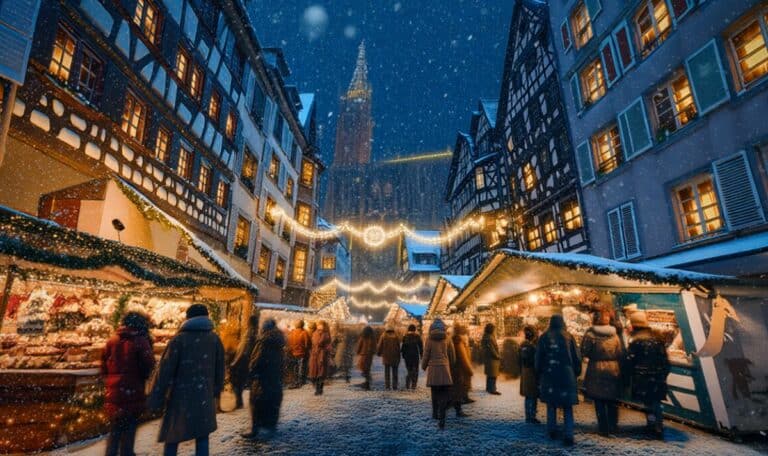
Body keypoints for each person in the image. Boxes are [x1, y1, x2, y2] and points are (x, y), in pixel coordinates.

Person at [148, 304, 225, 456]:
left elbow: (164, 371)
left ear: (188, 318)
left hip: (179, 397)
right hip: (203, 396)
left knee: (172, 437)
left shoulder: (179, 340)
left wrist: (156, 398)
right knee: (202, 437)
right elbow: (220, 369)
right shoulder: (214, 339)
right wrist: (215, 391)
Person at [101, 312, 155, 456]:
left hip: (114, 393)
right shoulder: (141, 341)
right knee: (129, 430)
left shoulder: (112, 341)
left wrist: (111, 378)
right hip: (133, 391)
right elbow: (148, 365)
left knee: (115, 431)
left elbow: (104, 365)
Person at [535, 314, 581, 446]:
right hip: (567, 375)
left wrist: (539, 371)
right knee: (567, 407)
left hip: (550, 375)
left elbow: (538, 358)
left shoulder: (544, 337)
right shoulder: (569, 337)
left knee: (551, 405)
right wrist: (576, 372)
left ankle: (551, 431)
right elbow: (577, 357)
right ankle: (568, 435)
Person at [624, 311, 670, 440]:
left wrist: (628, 376)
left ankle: (652, 425)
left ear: (634, 325)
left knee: (648, 403)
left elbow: (630, 361)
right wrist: (663, 374)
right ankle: (658, 425)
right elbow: (665, 360)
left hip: (643, 377)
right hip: (657, 377)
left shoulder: (636, 341)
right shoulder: (657, 338)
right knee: (656, 402)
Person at [582, 311, 624, 436]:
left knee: (599, 399)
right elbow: (620, 352)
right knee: (611, 398)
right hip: (613, 368)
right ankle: (613, 426)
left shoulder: (590, 335)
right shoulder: (615, 335)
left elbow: (584, 351)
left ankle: (603, 427)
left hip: (596, 368)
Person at [244, 318, 285, 441]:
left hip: (262, 377)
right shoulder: (279, 341)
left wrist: (252, 370)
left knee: (257, 401)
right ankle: (270, 425)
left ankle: (255, 429)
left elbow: (257, 359)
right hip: (274, 377)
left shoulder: (263, 341)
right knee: (272, 401)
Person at [422, 319, 455, 429]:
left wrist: (423, 366)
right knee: (443, 394)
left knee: (434, 393)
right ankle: (442, 417)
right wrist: (451, 364)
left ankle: (435, 413)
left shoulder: (429, 339)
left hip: (433, 370)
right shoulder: (447, 339)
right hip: (444, 369)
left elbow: (426, 354)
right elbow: (452, 354)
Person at [229, 314, 260, 409]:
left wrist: (235, 362)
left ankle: (239, 402)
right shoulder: (256, 333)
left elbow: (244, 350)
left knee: (238, 383)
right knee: (243, 383)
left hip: (243, 362)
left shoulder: (250, 333)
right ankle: (242, 402)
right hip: (248, 361)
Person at [450, 323, 473, 416]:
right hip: (459, 369)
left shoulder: (455, 340)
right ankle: (458, 411)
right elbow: (463, 357)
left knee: (457, 389)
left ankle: (457, 408)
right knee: (458, 390)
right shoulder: (458, 341)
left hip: (457, 369)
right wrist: (469, 370)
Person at [519, 325, 540, 424]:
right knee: (532, 395)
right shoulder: (531, 347)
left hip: (525, 372)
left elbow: (519, 359)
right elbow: (534, 360)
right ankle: (531, 416)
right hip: (531, 373)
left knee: (528, 396)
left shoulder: (523, 345)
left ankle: (529, 415)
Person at [309, 320, 332, 395]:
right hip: (315, 355)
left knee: (321, 373)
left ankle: (319, 389)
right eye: (319, 325)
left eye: (321, 325)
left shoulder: (326, 334)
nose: (319, 326)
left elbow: (328, 345)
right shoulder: (315, 333)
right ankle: (317, 388)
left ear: (324, 326)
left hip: (322, 355)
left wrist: (325, 350)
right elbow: (313, 343)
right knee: (314, 373)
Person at [377, 324, 402, 390]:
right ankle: (395, 386)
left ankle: (387, 386)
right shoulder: (396, 336)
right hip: (395, 356)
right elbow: (398, 346)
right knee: (395, 372)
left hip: (386, 356)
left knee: (387, 372)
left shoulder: (383, 335)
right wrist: (399, 354)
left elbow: (380, 345)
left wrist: (378, 353)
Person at [286, 320, 310, 388]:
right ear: (302, 325)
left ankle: (295, 381)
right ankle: (300, 381)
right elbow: (307, 344)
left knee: (295, 367)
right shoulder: (304, 333)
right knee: (301, 367)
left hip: (293, 353)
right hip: (302, 353)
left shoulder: (292, 333)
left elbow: (289, 342)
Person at [401, 324, 423, 390]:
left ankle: (407, 383)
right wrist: (421, 355)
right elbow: (421, 347)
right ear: (414, 329)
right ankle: (414, 384)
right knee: (415, 370)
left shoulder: (405, 336)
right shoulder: (417, 336)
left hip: (407, 356)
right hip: (415, 356)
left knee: (409, 370)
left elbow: (403, 347)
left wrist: (403, 355)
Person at [481, 323, 502, 395]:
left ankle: (489, 388)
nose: (494, 330)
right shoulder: (489, 337)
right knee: (493, 374)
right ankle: (492, 389)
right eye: (493, 329)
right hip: (492, 359)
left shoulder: (486, 336)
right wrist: (497, 356)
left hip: (489, 358)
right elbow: (491, 349)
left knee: (490, 374)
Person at [356, 326, 376, 390]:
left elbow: (359, 345)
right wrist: (373, 352)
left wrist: (358, 351)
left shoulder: (363, 337)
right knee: (367, 368)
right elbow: (374, 346)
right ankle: (367, 381)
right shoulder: (373, 338)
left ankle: (367, 382)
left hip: (363, 354)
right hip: (369, 355)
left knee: (363, 368)